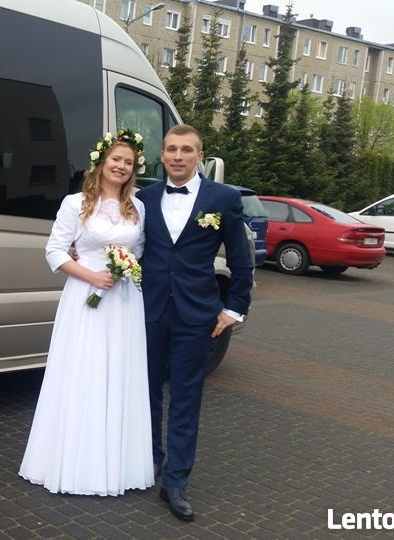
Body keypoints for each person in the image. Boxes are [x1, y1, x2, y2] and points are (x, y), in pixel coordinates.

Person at [19, 130, 153, 496]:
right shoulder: (75, 203)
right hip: (85, 296)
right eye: (116, 159)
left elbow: (139, 248)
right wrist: (91, 274)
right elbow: (55, 250)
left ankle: (117, 463)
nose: (121, 166)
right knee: (84, 369)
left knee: (119, 372)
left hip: (123, 300)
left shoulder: (138, 207)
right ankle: (74, 461)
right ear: (102, 161)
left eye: (128, 162)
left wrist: (124, 267)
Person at [135, 124, 252, 521]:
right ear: (162, 154)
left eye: (186, 149)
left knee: (186, 399)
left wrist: (233, 309)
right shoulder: (144, 198)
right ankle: (149, 461)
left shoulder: (223, 198)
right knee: (146, 393)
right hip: (149, 311)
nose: (178, 156)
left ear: (200, 156)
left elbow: (241, 258)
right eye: (171, 149)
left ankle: (176, 482)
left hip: (196, 316)